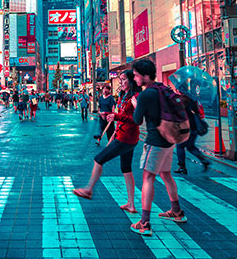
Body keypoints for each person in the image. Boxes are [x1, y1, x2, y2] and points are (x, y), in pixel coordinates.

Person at [131, 59, 186, 234]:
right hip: (169, 139)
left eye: (137, 75)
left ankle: (145, 222)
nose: (135, 78)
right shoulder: (163, 88)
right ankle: (176, 211)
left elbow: (137, 120)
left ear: (145, 76)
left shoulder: (146, 94)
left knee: (147, 178)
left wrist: (135, 105)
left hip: (155, 141)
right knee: (166, 174)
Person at [73, 70, 141, 213]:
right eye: (120, 79)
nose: (121, 82)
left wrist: (116, 117)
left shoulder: (135, 97)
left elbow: (137, 120)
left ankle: (89, 189)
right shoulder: (124, 96)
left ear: (132, 81)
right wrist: (114, 120)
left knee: (99, 159)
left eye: (123, 79)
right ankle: (131, 204)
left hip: (127, 138)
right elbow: (122, 116)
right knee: (126, 169)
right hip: (126, 136)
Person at [173, 92, 210, 174]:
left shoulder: (180, 101)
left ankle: (182, 166)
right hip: (194, 127)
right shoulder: (194, 101)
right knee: (190, 146)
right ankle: (203, 160)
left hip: (185, 127)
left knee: (179, 146)